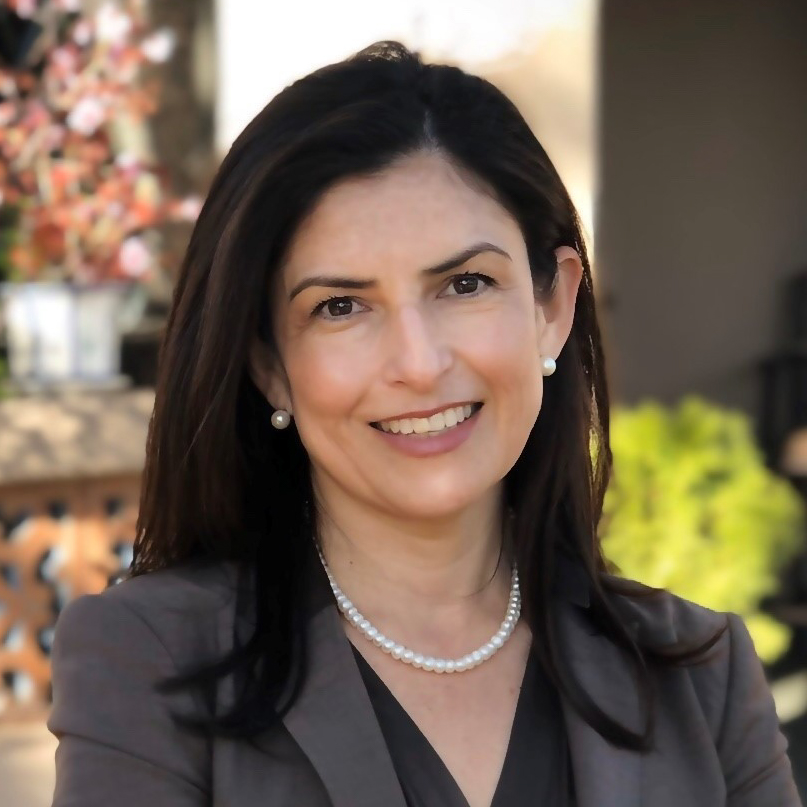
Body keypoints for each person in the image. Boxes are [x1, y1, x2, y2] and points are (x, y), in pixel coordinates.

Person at [47, 41, 801, 807]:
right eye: (339, 306)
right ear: (268, 362)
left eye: (464, 283)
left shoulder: (698, 677)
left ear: (552, 307)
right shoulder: (151, 659)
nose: (417, 361)